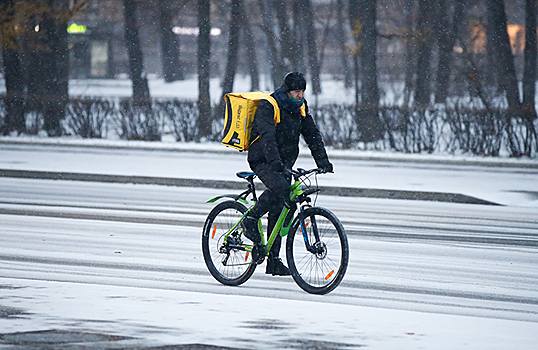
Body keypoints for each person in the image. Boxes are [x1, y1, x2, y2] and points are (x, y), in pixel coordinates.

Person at [242, 72, 334, 276]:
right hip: (263, 159)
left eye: (302, 92)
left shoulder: (300, 107)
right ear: (287, 90)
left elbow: (312, 134)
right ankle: (250, 219)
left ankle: (273, 261)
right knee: (281, 189)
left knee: (282, 206)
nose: (300, 96)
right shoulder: (270, 105)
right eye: (296, 92)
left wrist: (323, 162)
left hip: (285, 163)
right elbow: (267, 136)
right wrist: (274, 161)